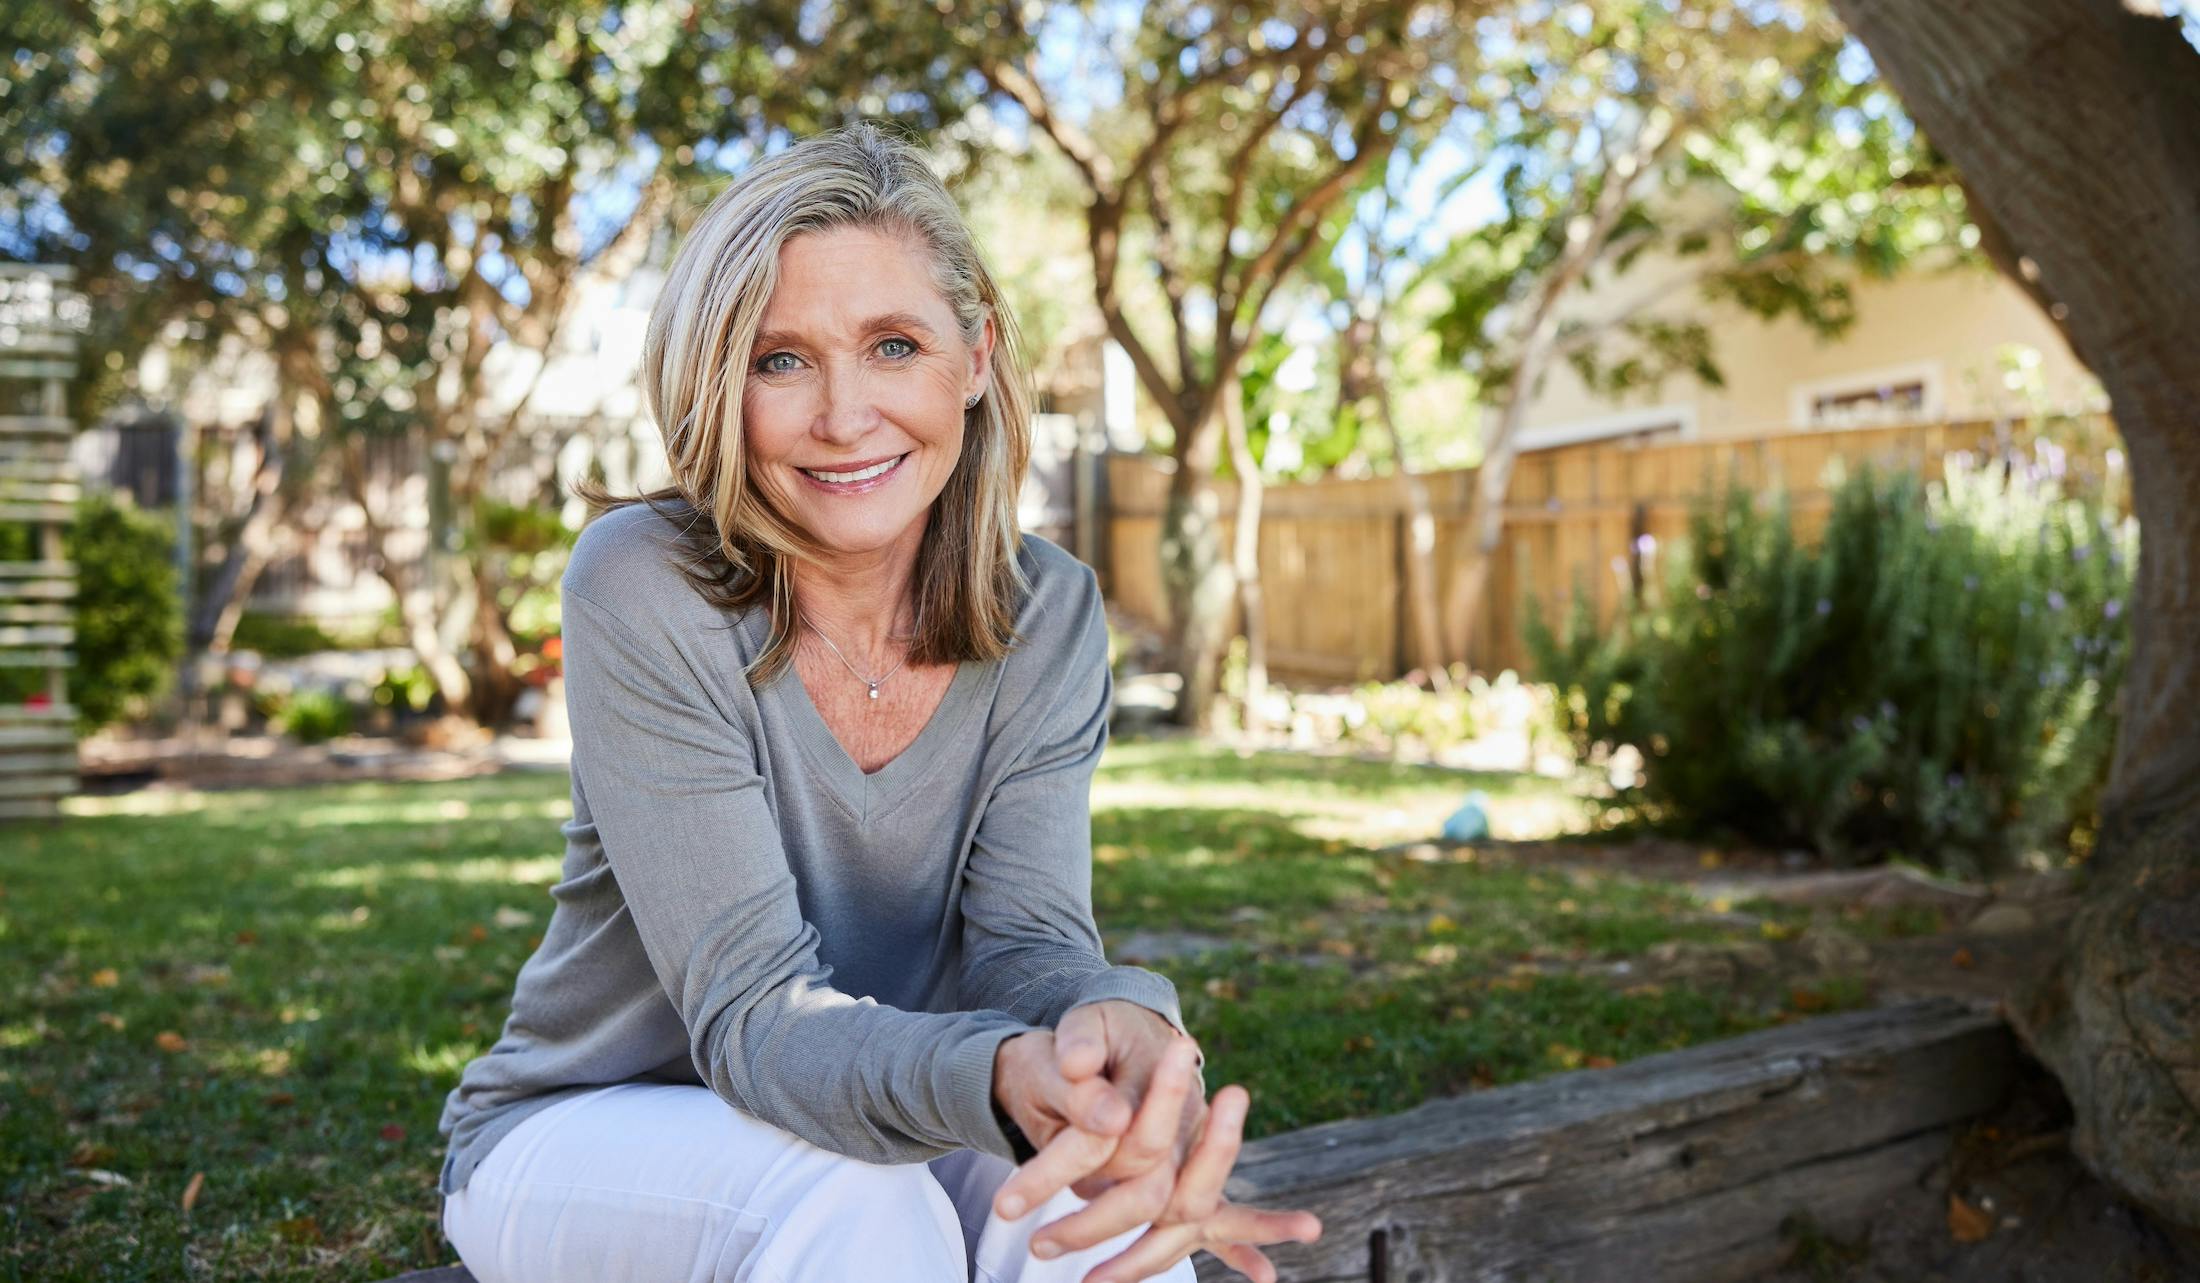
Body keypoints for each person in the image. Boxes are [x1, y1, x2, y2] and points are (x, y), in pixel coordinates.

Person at [434, 120, 1322, 1283]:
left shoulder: (1048, 608)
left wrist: (1122, 1038)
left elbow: (1030, 948)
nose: (844, 416)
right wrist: (1000, 1070)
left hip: (889, 1113)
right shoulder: (642, 580)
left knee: (1083, 1204)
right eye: (779, 359)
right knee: (858, 1206)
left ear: (977, 357)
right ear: (718, 382)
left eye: (894, 345)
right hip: (586, 1128)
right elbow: (756, 1017)